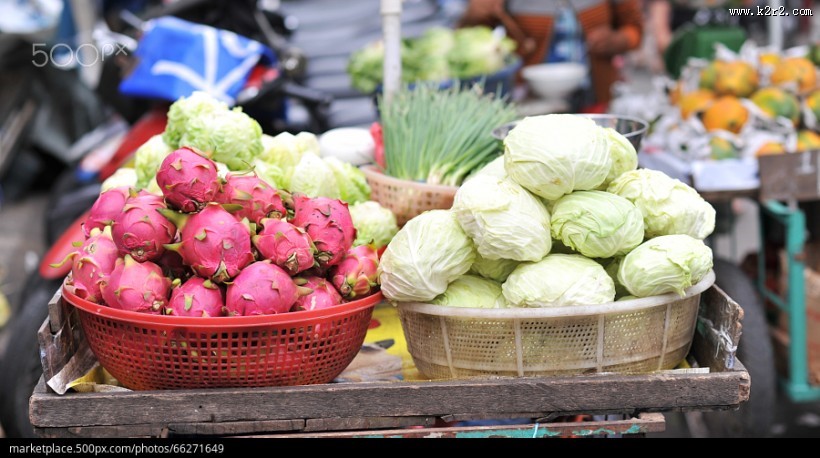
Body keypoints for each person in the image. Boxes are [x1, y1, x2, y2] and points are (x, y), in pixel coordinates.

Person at [458, 0, 644, 106]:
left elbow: (635, 29)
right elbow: (470, 40)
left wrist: (619, 40)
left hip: (598, 98)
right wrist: (473, 15)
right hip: (531, 104)